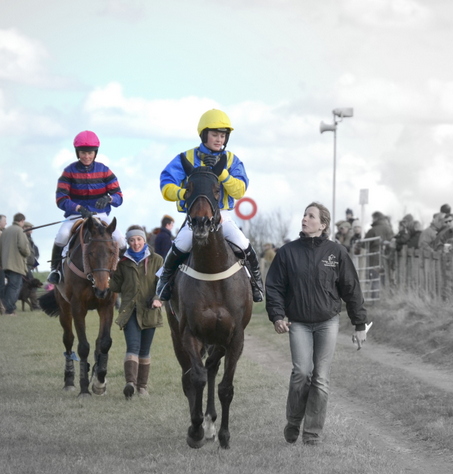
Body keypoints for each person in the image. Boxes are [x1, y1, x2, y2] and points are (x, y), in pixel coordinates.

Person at [265, 202, 368, 445]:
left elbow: (351, 289)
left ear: (322, 225)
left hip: (327, 322)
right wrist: (278, 316)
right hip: (298, 322)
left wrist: (360, 324)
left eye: (310, 216)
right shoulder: (288, 252)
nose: (304, 219)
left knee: (321, 378)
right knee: (302, 373)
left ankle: (312, 433)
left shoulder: (336, 252)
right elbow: (275, 288)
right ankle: (293, 420)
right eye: (304, 214)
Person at [157, 109, 264, 302]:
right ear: (204, 134)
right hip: (195, 217)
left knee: (243, 243)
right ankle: (164, 282)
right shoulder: (186, 158)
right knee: (180, 244)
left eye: (223, 135)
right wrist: (182, 193)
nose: (219, 139)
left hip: (221, 216)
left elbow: (239, 190)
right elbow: (166, 184)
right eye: (215, 134)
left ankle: (256, 283)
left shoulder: (232, 160)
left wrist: (222, 173)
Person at [47, 130, 125, 284]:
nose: (86, 156)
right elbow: (61, 199)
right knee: (62, 236)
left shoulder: (105, 170)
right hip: (76, 216)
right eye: (83, 152)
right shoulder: (68, 172)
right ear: (78, 153)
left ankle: (121, 272)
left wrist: (109, 198)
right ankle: (55, 270)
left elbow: (119, 197)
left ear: (95, 153)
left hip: (100, 215)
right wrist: (77, 208)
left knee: (121, 239)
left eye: (90, 153)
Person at [108, 225, 163, 399]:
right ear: (128, 242)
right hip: (130, 310)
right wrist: (105, 279)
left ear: (144, 240)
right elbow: (115, 285)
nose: (136, 243)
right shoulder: (122, 262)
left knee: (145, 351)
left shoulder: (157, 260)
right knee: (133, 346)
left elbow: (163, 284)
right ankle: (130, 384)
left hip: (150, 310)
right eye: (132, 240)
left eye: (138, 239)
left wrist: (158, 299)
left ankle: (142, 387)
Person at [0, 213, 31, 316]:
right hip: (16, 264)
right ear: (22, 221)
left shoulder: (5, 231)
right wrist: (28, 253)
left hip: (5, 264)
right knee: (15, 287)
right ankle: (9, 309)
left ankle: (4, 305)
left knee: (11, 286)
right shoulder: (20, 231)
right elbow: (24, 248)